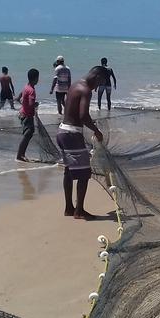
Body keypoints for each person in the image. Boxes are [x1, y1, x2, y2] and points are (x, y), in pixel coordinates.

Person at [58, 66, 109, 220]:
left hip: (62, 131)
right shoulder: (85, 89)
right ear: (97, 76)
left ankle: (69, 208)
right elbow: (83, 115)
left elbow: (72, 110)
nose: (98, 87)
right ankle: (79, 211)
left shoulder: (74, 85)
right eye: (101, 82)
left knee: (68, 170)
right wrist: (96, 131)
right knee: (85, 173)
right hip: (72, 134)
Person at [16, 68, 39, 162]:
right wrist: (35, 104)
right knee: (28, 134)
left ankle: (21, 154)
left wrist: (20, 101)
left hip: (22, 113)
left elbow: (20, 96)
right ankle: (20, 155)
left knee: (28, 134)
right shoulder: (32, 90)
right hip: (27, 115)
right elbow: (31, 104)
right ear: (35, 78)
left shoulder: (26, 86)